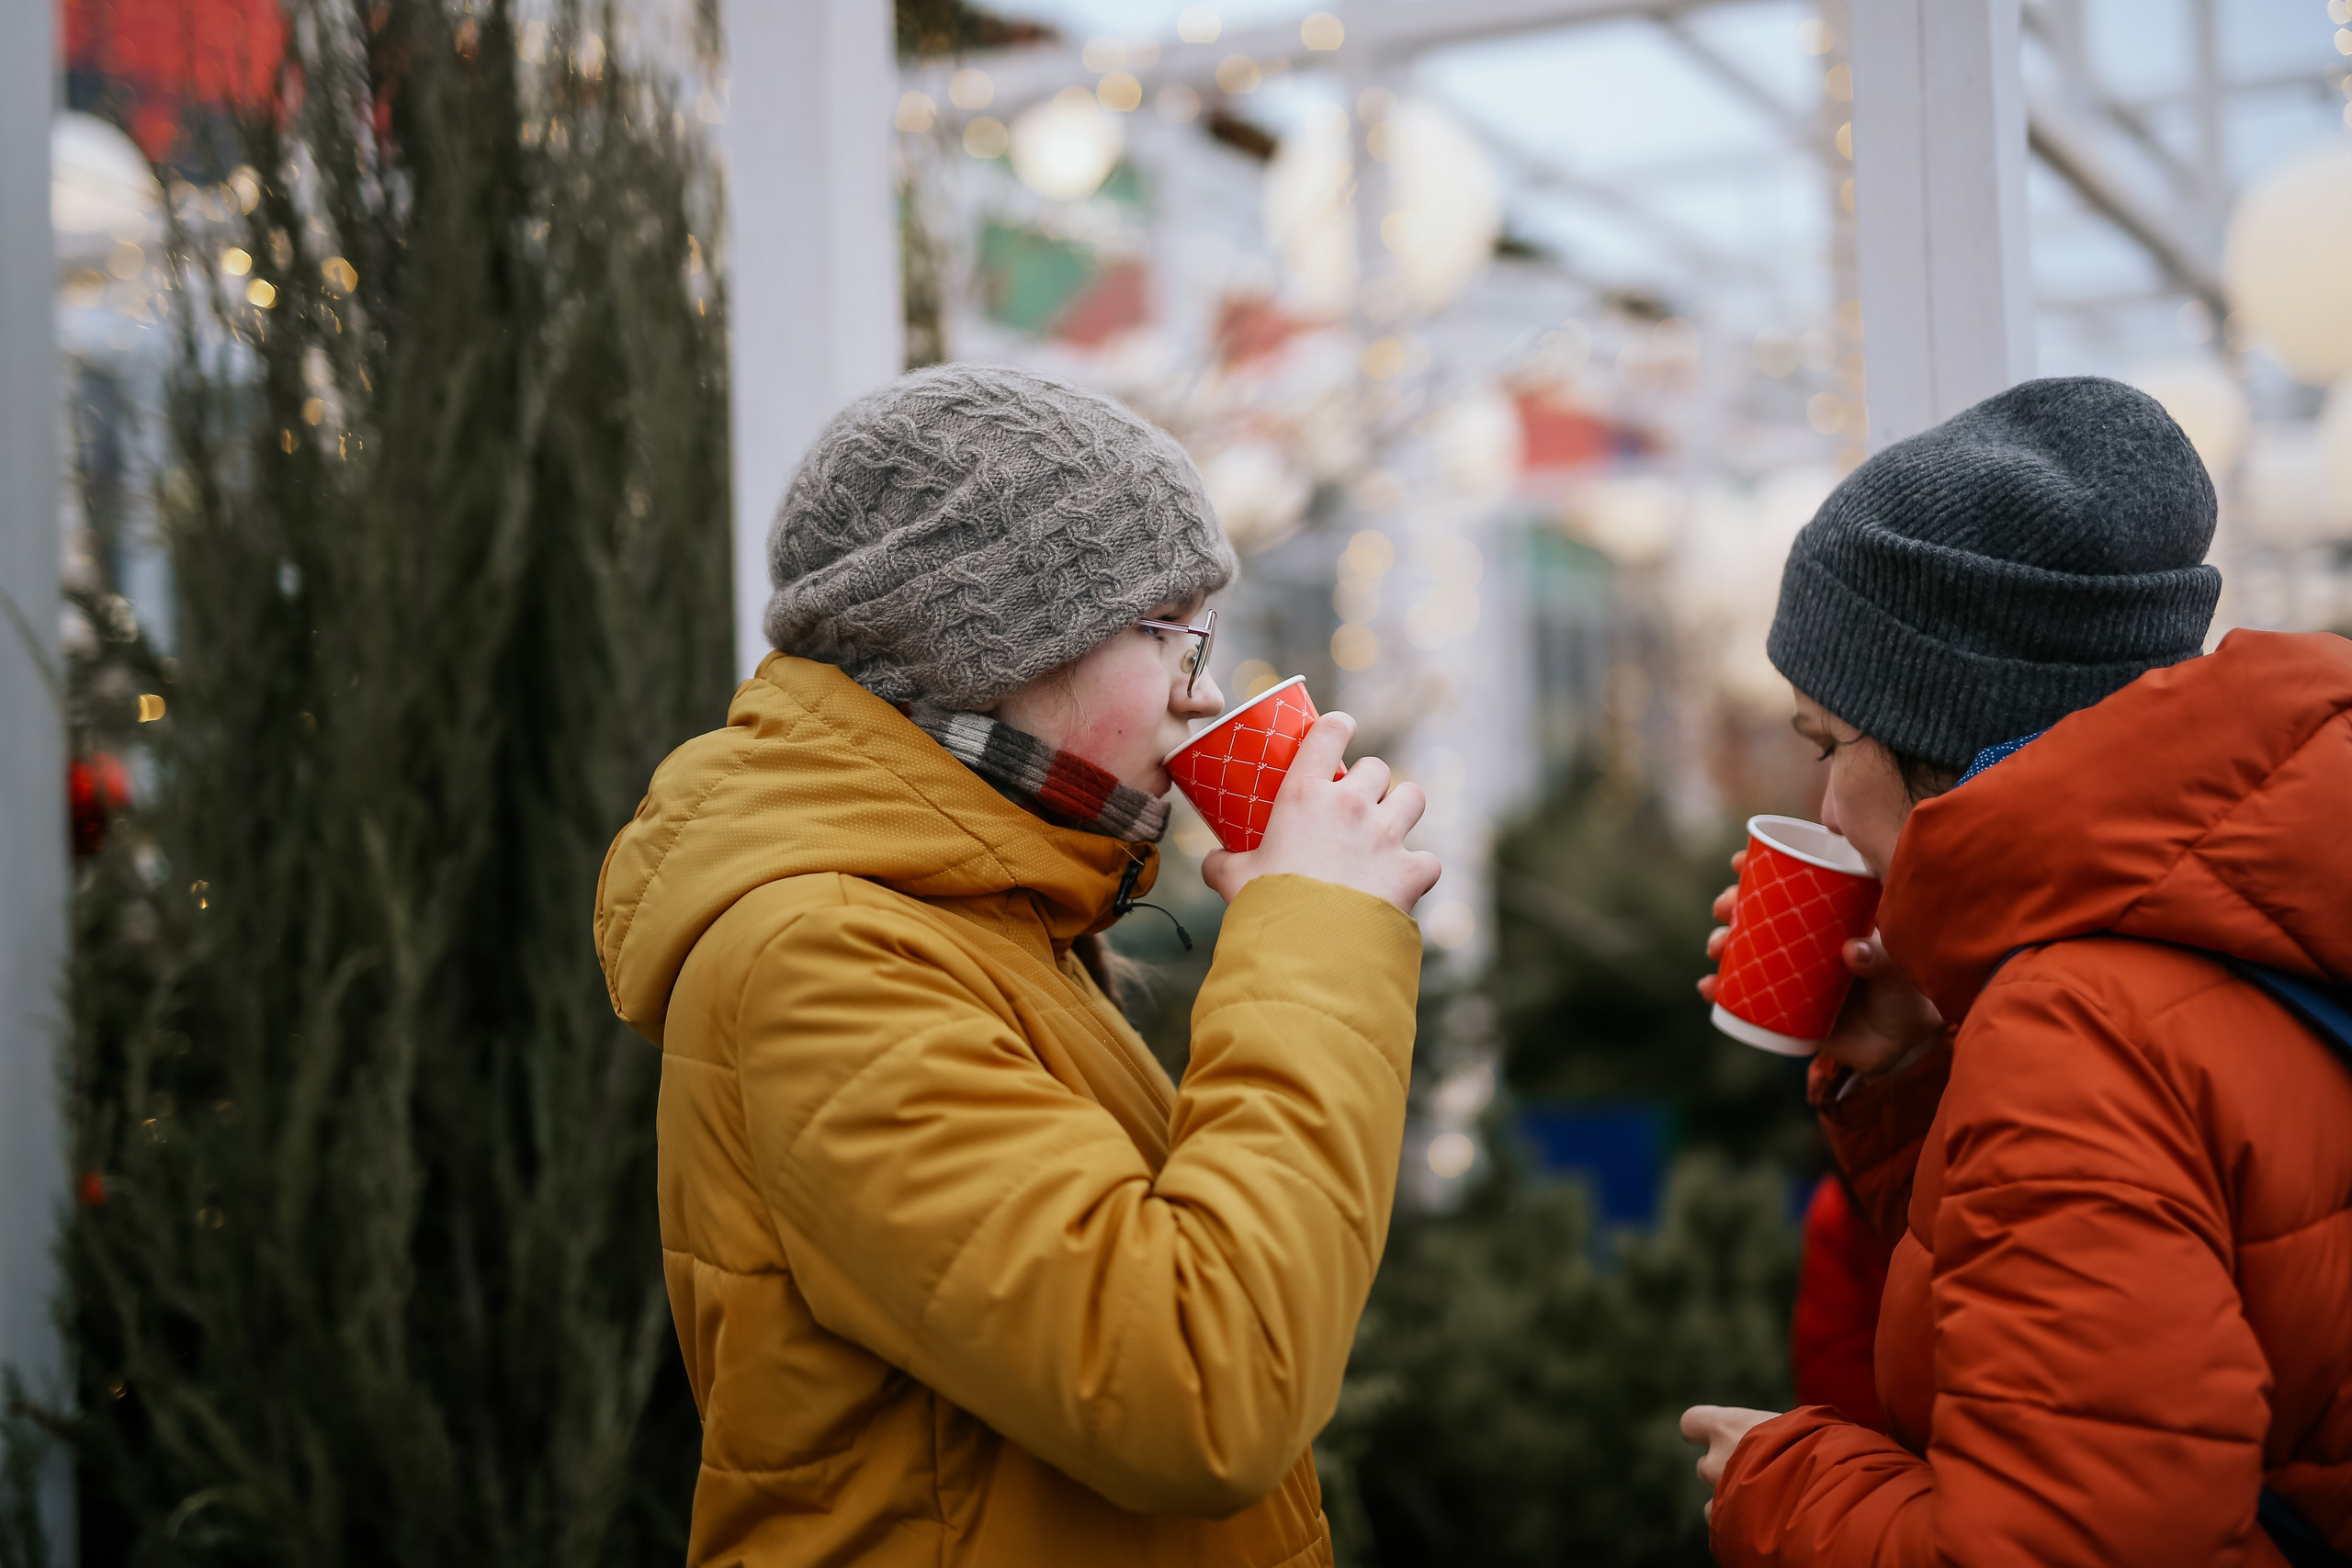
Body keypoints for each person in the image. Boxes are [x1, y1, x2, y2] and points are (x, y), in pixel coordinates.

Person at [594, 363, 1441, 1567]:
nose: (1202, 701)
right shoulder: (823, 957)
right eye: (1174, 638)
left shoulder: (976, 907)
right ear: (1006, 641)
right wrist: (1313, 935)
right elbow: (1199, 1382)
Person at [1679, 377, 2352, 1563]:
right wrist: (1919, 1085)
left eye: (1832, 744)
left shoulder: (2074, 1032)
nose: (1828, 807)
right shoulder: (2267, 886)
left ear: (1946, 733)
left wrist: (1782, 1491)